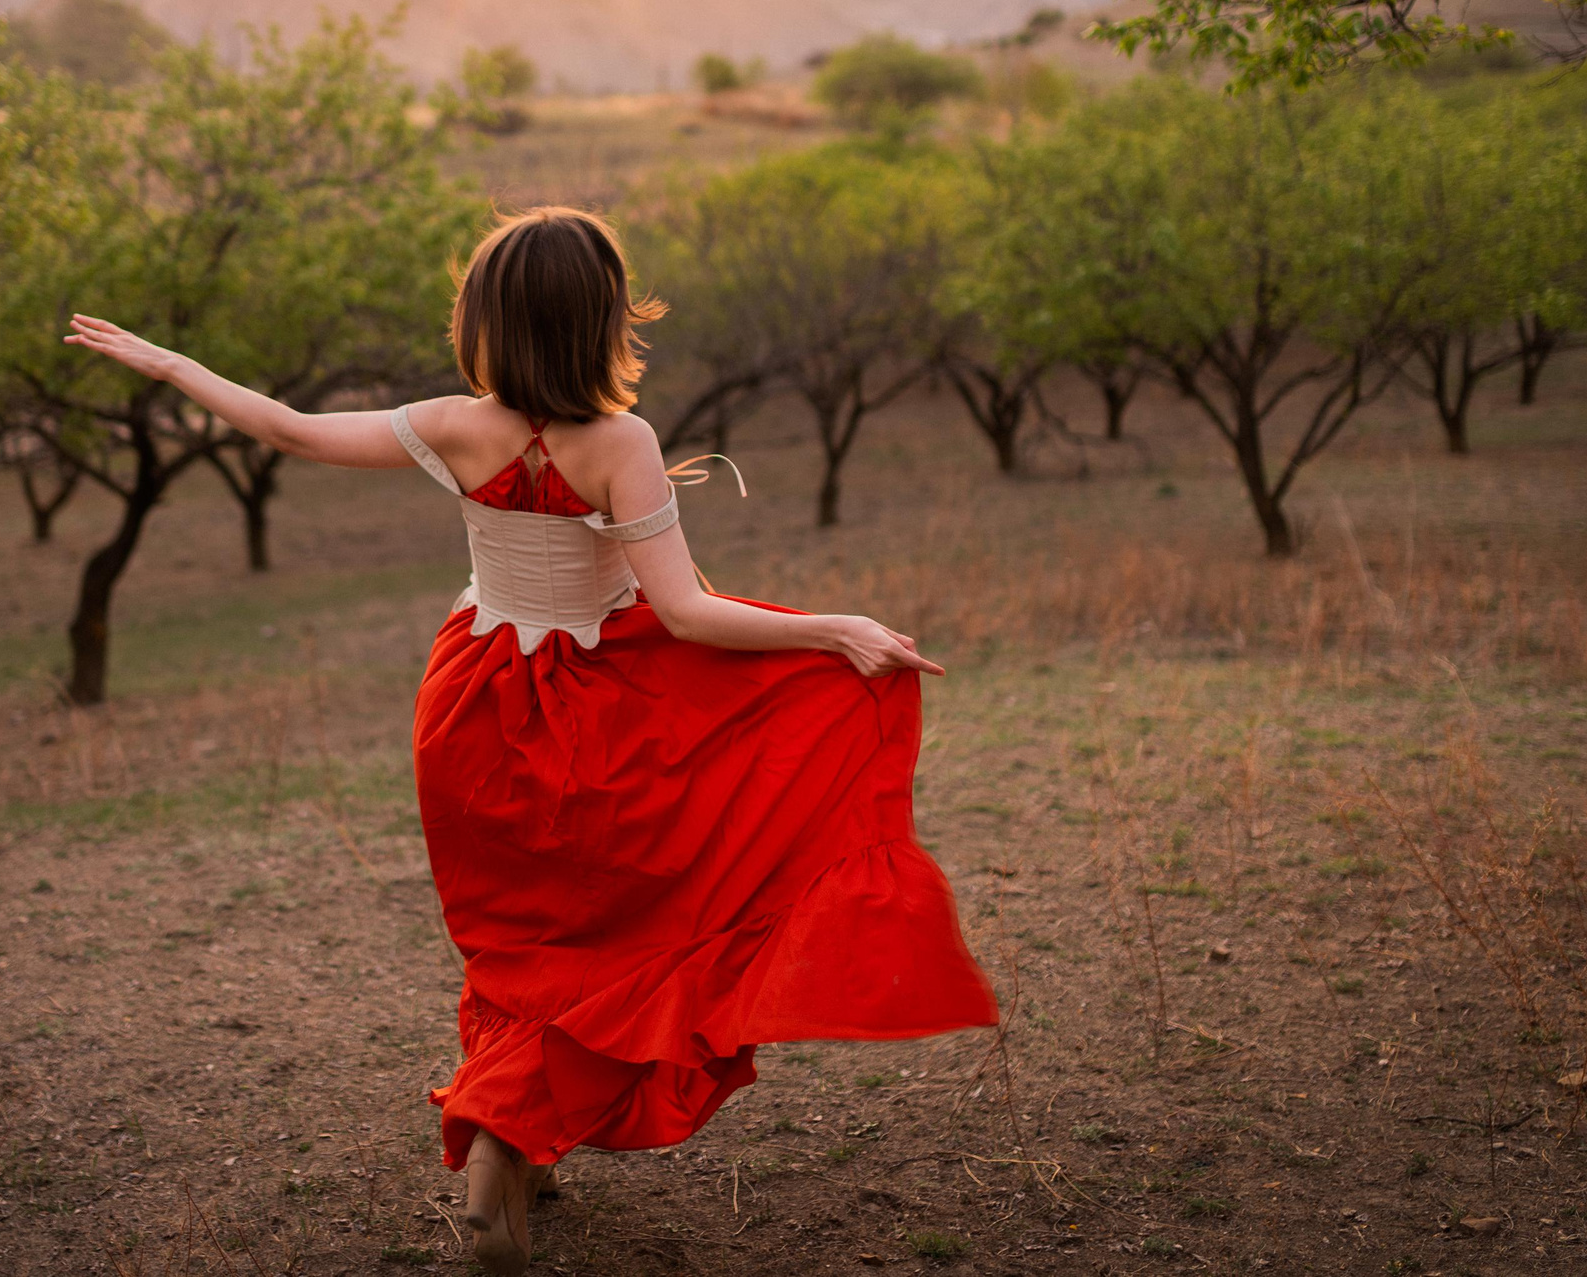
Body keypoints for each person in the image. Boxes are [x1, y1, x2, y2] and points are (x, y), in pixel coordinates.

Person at [66, 205, 996, 1274]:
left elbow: (284, 428)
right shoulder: (621, 444)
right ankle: (507, 1135)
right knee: (603, 938)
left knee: (517, 940)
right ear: (600, 321)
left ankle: (522, 1150)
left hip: (471, 708)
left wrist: (171, 362)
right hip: (595, 716)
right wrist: (834, 631)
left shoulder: (455, 426)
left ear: (489, 321)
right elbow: (687, 614)